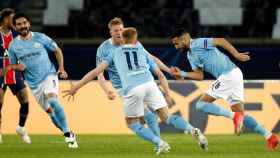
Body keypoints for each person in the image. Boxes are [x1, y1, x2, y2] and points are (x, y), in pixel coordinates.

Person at [63, 27, 208, 154]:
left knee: (132, 123)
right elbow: (158, 71)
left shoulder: (114, 52)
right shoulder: (140, 49)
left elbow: (96, 72)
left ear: (123, 38)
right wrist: (168, 86)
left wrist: (77, 86)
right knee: (167, 117)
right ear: (135, 38)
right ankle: (193, 130)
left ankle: (160, 143)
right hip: (150, 84)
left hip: (133, 88)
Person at [169, 28, 279, 151]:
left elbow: (220, 41)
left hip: (228, 74)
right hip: (234, 74)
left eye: (176, 43)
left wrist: (236, 54)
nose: (176, 47)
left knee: (201, 104)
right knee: (241, 115)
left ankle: (235, 117)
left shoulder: (198, 43)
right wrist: (182, 73)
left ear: (184, 38)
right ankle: (270, 137)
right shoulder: (190, 55)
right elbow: (199, 76)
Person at [5, 13, 78, 148]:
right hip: (34, 84)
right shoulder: (13, 46)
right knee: (51, 115)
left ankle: (68, 135)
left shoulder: (40, 37)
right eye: (19, 24)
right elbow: (13, 66)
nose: (23, 26)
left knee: (52, 99)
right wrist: (17, 67)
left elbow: (57, 50)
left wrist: (61, 68)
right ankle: (69, 133)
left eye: (24, 23)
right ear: (15, 27)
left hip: (49, 75)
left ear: (29, 24)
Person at [96, 17, 173, 137]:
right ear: (110, 32)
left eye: (121, 29)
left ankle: (159, 143)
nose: (119, 32)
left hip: (139, 82)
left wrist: (168, 70)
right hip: (122, 87)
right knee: (143, 117)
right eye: (116, 30)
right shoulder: (103, 49)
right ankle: (158, 141)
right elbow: (99, 74)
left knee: (147, 116)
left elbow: (151, 58)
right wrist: (107, 91)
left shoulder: (133, 42)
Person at [0, 8, 30, 143]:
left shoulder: (17, 36)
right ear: (5, 19)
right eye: (12, 18)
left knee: (25, 100)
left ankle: (21, 128)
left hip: (14, 73)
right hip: (0, 74)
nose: (14, 21)